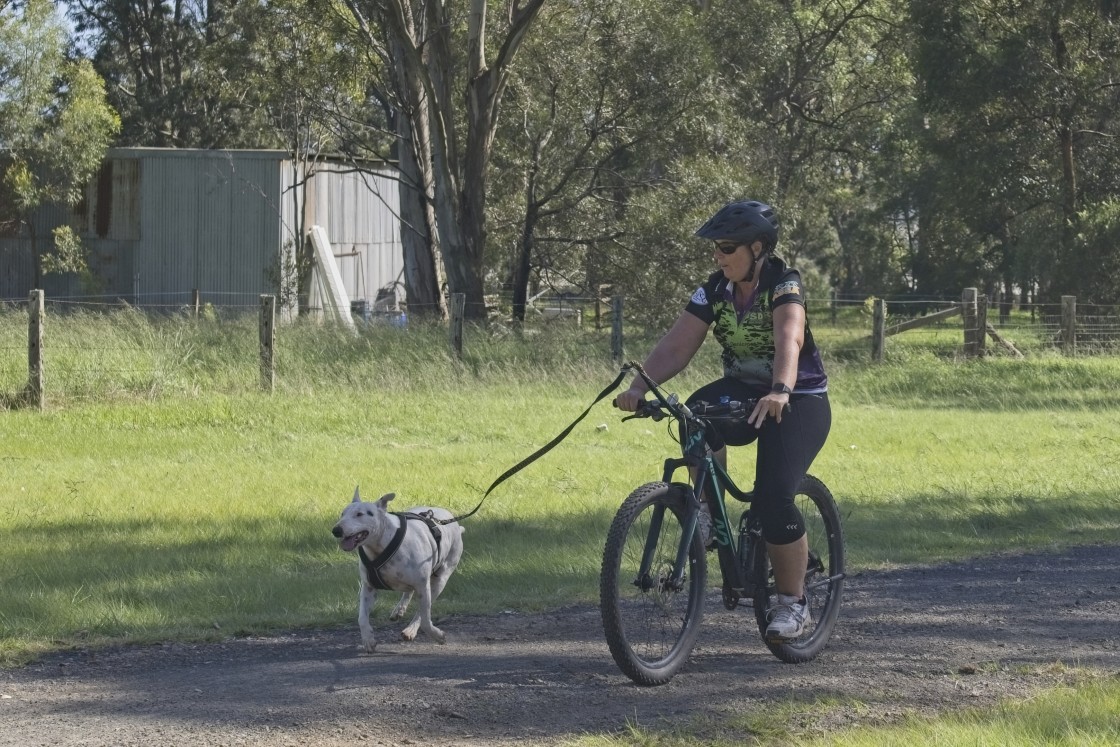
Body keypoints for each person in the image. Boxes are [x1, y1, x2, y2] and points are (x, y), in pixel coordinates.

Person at [613, 199, 830, 640]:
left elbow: (791, 336)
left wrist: (781, 388)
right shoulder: (714, 290)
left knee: (773, 498)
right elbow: (677, 345)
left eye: (727, 247)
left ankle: (794, 603)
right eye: (715, 248)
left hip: (798, 396)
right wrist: (639, 388)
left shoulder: (783, 284)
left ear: (758, 248)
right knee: (693, 414)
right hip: (745, 391)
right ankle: (707, 511)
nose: (718, 256)